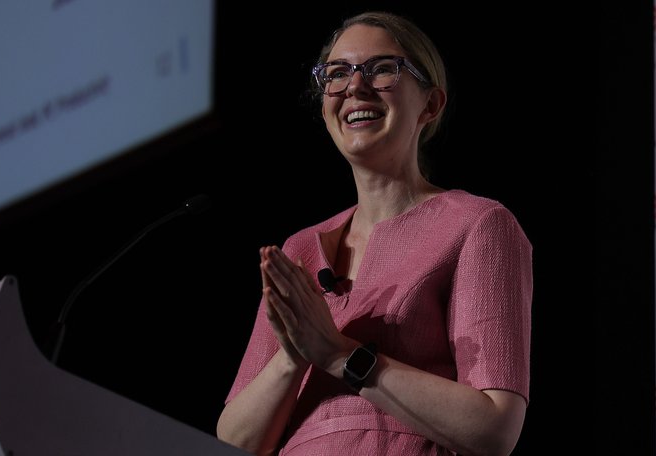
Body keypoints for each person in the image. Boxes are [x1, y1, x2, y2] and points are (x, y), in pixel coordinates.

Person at [216, 11, 532, 456]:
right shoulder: (300, 249)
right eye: (337, 73)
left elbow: (495, 428)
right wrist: (294, 354)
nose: (354, 87)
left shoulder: (477, 224)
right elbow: (234, 440)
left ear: (430, 105)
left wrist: (338, 354)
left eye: (382, 69)